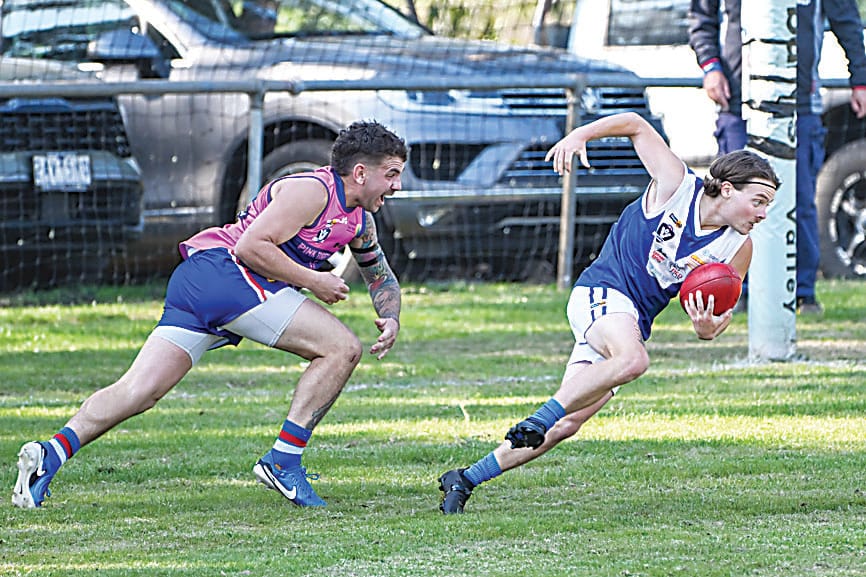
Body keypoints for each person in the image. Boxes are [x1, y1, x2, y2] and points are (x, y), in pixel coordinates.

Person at [12, 120, 407, 509]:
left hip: (201, 282)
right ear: (360, 172)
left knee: (140, 391)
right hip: (227, 273)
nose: (396, 185)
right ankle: (283, 461)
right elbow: (251, 247)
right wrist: (314, 281)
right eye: (391, 174)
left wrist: (390, 316)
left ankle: (50, 454)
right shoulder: (313, 191)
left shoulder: (360, 223)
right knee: (341, 348)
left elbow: (381, 277)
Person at [437, 111, 779, 514]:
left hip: (630, 323)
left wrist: (707, 327)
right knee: (632, 361)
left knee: (567, 424)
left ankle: (465, 478)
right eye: (758, 201)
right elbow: (635, 123)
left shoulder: (739, 249)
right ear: (725, 188)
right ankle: (538, 416)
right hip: (601, 292)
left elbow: (714, 325)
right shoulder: (677, 186)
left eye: (768, 206)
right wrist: (578, 135)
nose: (762, 214)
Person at [688, 0, 866, 314]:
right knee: (730, 200)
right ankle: (732, 287)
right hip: (739, 103)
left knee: (799, 200)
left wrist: (860, 78)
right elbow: (702, 17)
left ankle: (802, 293)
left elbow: (846, 19)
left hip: (800, 106)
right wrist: (711, 66)